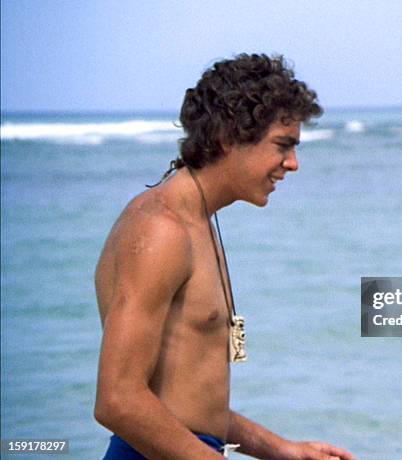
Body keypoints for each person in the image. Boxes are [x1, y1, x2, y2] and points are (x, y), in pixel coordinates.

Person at [94, 53, 354, 460]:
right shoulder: (161, 230)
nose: (293, 164)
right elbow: (117, 399)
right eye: (282, 146)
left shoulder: (198, 220)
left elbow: (191, 405)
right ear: (228, 138)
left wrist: (281, 449)